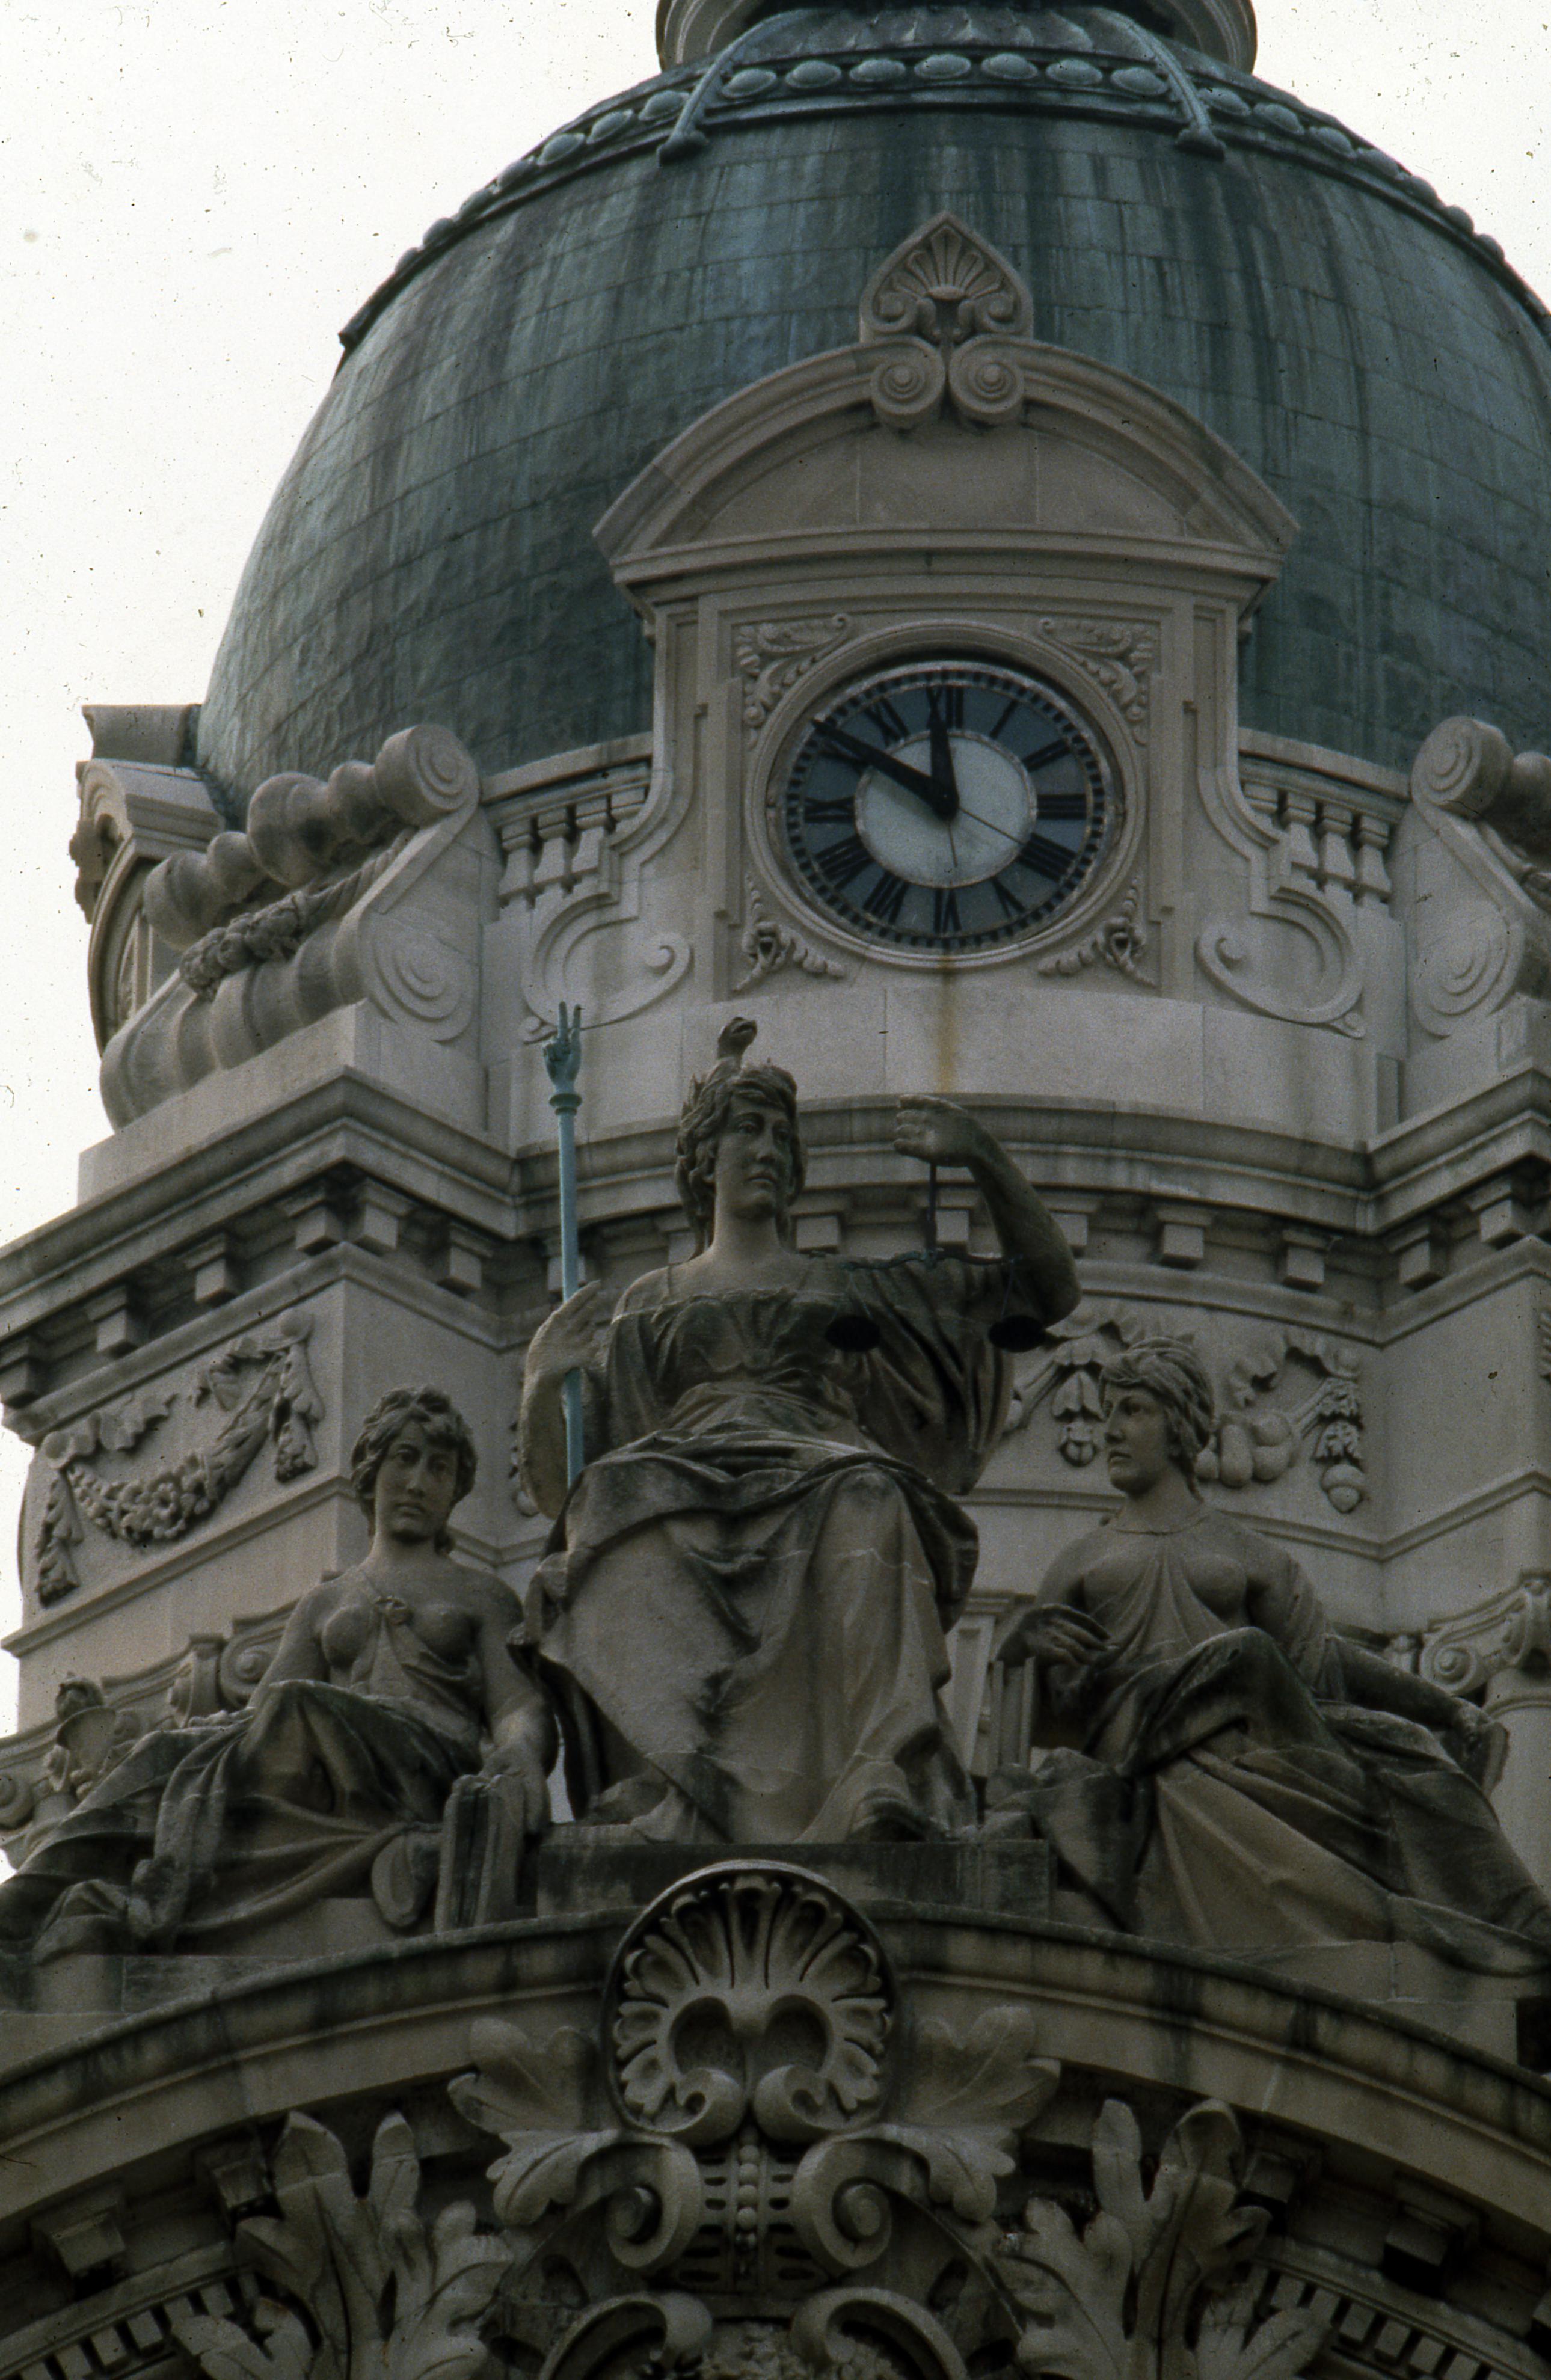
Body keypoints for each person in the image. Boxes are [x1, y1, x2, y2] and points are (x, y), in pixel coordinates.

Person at [519, 1017, 1081, 1845]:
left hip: (818, 1467)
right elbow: (562, 1491)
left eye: (782, 1136)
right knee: (607, 1509)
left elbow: (1045, 1290)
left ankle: (879, 1769)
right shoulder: (648, 1302)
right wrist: (542, 1380)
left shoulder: (843, 1287)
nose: (769, 1150)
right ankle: (677, 1783)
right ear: (702, 1157)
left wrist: (980, 1156)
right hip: (681, 1477)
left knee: (870, 1495)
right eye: (747, 1129)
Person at [991, 1339, 1551, 1969]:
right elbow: (1049, 1711)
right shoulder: (1079, 1561)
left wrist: (1445, 1710)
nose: (1111, 1431)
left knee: (1423, 1769)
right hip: (1134, 1743)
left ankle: (1523, 1925)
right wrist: (1018, 1650)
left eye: (1133, 1410)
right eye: (1107, 1413)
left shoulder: (1248, 1552)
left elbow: (1322, 1663)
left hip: (1252, 1744)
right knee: (1248, 1655)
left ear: (1178, 1425)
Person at [0, 1388, 554, 1957]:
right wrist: (174, 1750)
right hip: (335, 1753)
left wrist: (520, 1752)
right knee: (164, 1753)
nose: (418, 1483)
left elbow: (518, 1706)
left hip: (427, 1761)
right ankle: (24, 1904)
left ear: (456, 1488)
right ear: (371, 1471)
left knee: (292, 1711)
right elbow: (255, 1718)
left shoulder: (480, 1594)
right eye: (404, 1460)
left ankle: (168, 1885)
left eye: (439, 1469)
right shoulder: (326, 1602)